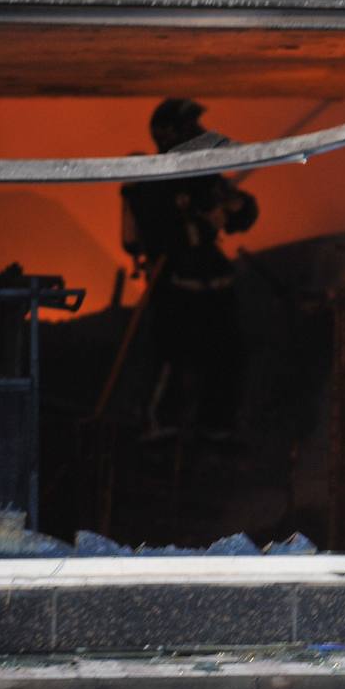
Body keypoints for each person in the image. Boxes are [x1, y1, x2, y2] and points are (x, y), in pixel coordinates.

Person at [121, 98, 258, 441]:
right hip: (174, 284)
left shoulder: (203, 176)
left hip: (213, 281)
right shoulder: (150, 179)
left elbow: (241, 215)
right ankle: (158, 422)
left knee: (226, 354)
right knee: (172, 354)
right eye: (189, 128)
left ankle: (218, 424)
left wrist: (235, 205)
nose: (199, 134)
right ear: (168, 135)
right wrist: (198, 209)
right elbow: (153, 228)